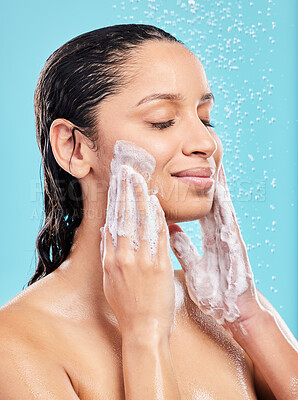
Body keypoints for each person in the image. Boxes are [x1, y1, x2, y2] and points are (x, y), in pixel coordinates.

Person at [0, 24, 297, 400]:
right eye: (163, 120)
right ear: (75, 147)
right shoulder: (16, 345)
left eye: (206, 119)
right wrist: (144, 336)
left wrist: (250, 318)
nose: (207, 142)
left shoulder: (223, 311)